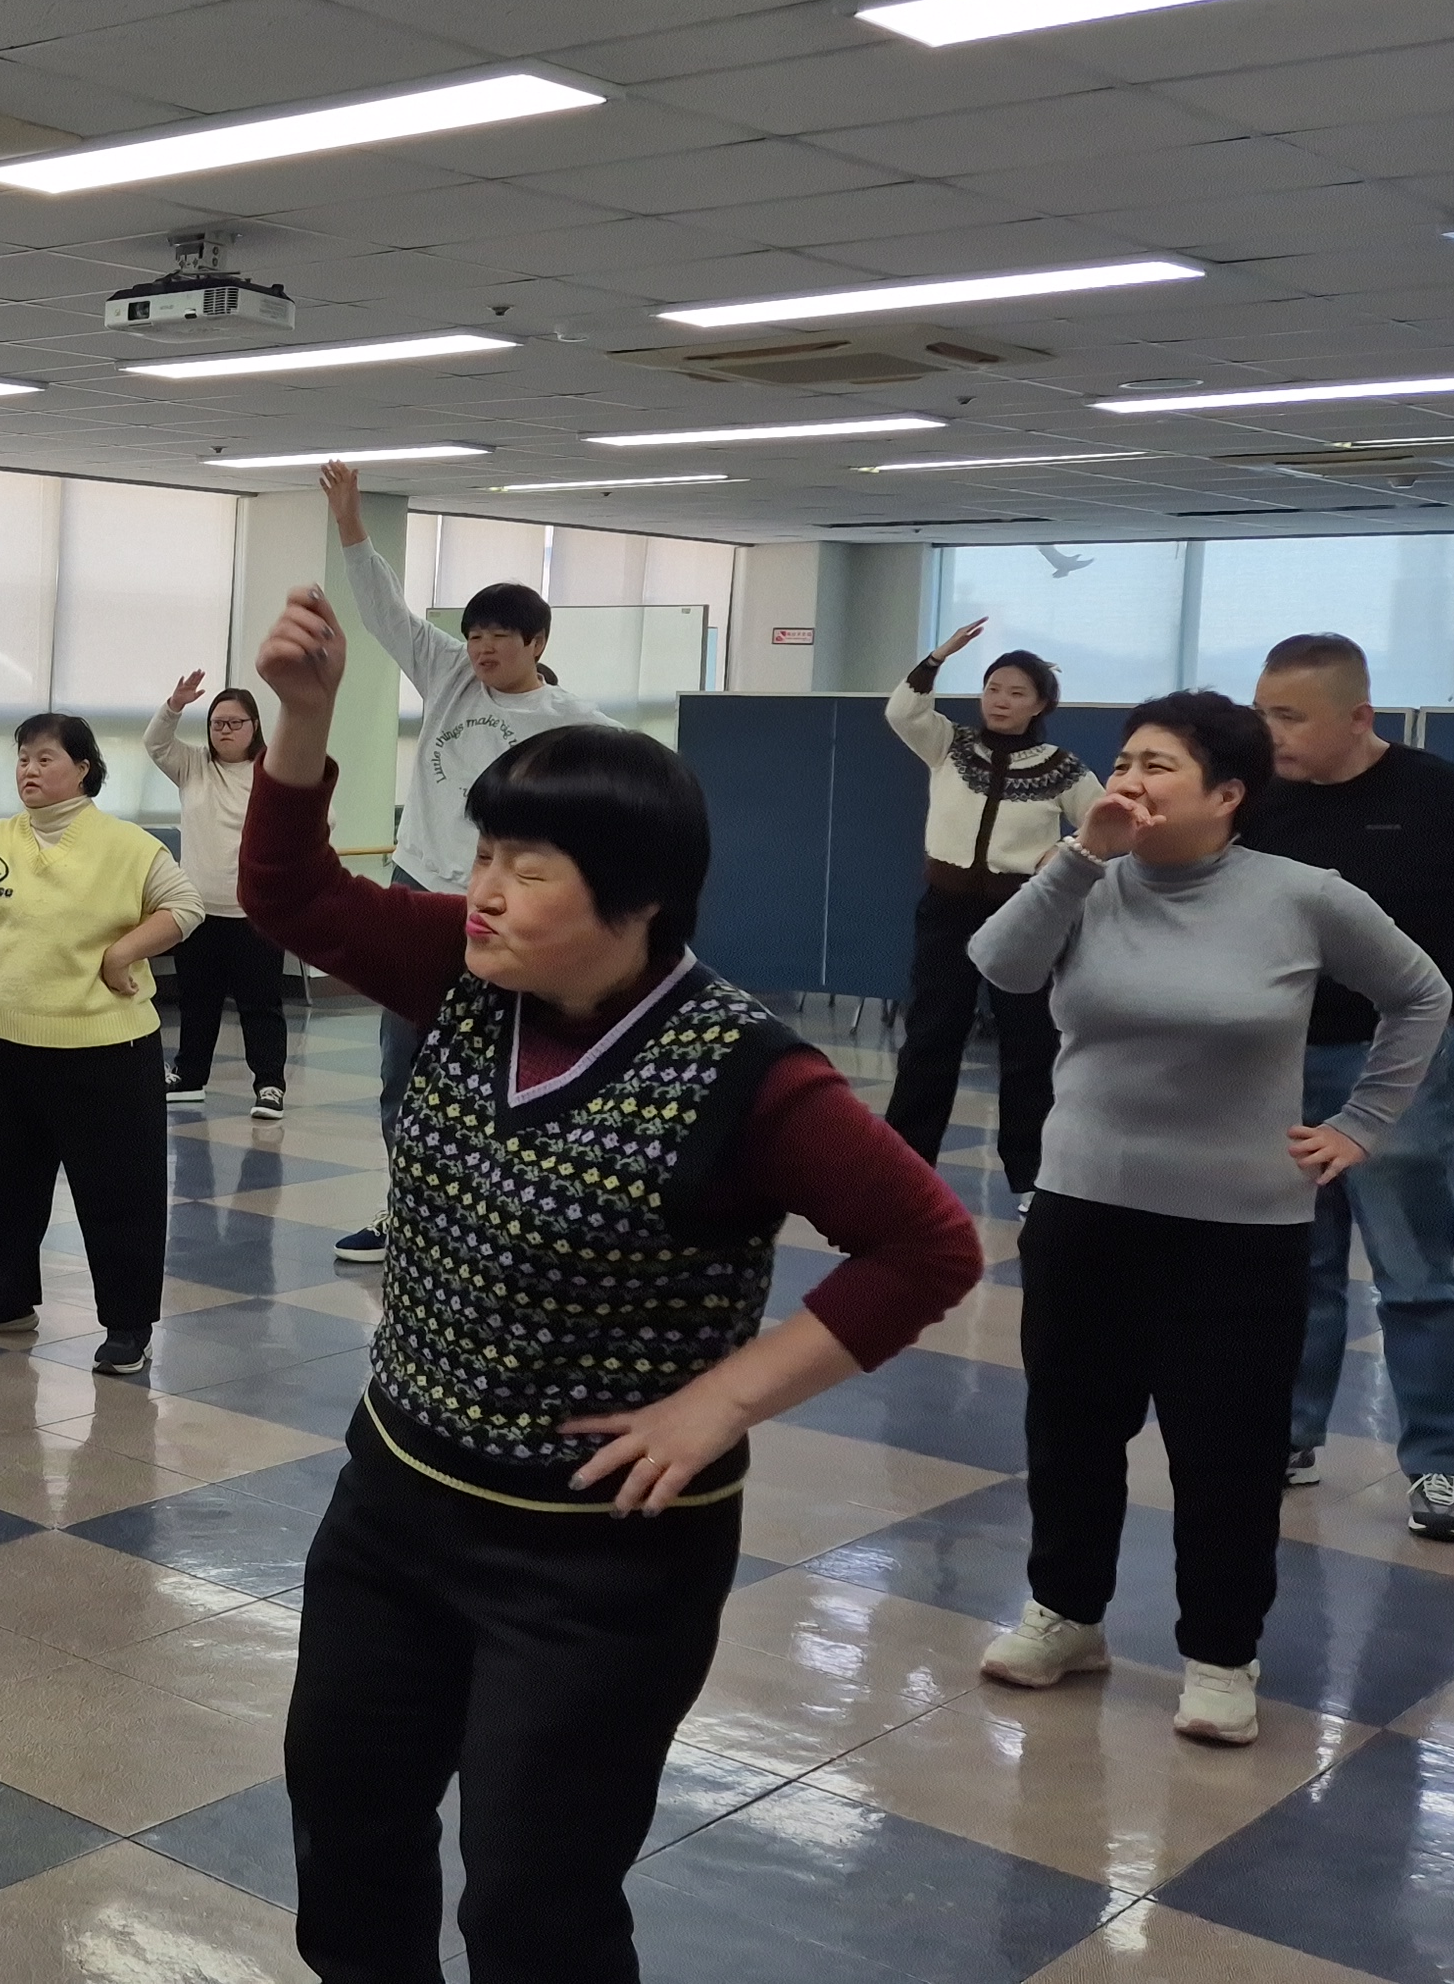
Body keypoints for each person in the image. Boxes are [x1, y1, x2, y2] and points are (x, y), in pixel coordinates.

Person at [240, 584, 978, 1984]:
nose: (484, 891)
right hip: (395, 1505)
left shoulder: (746, 1071)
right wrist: (306, 717)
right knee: (349, 1832)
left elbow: (928, 1245)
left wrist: (722, 1403)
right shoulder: (465, 974)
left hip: (595, 1563)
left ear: (639, 899)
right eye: (484, 855)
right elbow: (291, 896)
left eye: (527, 869)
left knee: (536, 1901)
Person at [970, 692, 1448, 1748]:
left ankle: (1222, 1654)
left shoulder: (1301, 895)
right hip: (1083, 1205)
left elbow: (1421, 994)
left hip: (1238, 1227)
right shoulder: (1085, 882)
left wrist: (1362, 1123)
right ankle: (1065, 1614)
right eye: (1124, 761)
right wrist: (1078, 858)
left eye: (1159, 765)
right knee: (1071, 1427)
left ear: (1227, 793)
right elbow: (1000, 965)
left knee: (1226, 1448)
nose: (1129, 781)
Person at [1250, 633, 1454, 1536]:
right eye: (1263, 712)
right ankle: (1287, 1435)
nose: (1270, 733)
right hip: (1275, 1065)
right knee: (1296, 1268)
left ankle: (1441, 1467)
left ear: (1359, 716)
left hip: (1395, 1065)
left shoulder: (1445, 797)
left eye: (1292, 716)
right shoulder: (1259, 798)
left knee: (1413, 1278)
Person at [320, 458, 607, 1268]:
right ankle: (407, 1212)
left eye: (499, 638)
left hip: (510, 908)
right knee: (402, 1063)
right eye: (475, 635)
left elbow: (636, 786)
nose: (481, 649)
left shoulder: (570, 719)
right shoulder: (448, 674)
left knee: (508, 1064)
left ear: (536, 644)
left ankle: (500, 1212)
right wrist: (349, 525)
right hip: (422, 893)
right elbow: (384, 611)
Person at [0, 714, 203, 1377]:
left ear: (82, 769)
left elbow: (184, 908)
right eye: (22, 759)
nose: (29, 770)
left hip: (108, 1051)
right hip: (7, 1046)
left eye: (45, 758)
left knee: (119, 1195)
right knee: (2, 1186)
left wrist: (122, 951)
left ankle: (128, 1325)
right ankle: (5, 1299)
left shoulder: (128, 845)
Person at [880, 620, 1097, 1209]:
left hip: (1022, 916)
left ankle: (1032, 1177)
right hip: (946, 911)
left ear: (1040, 704)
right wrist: (937, 657)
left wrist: (1062, 853)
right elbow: (902, 711)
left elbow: (1105, 824)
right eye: (993, 688)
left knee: (1029, 1045)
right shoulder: (948, 745)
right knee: (931, 1036)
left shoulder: (1061, 766)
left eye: (1016, 692)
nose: (1000, 700)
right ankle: (903, 1167)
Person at [146, 672, 288, 1117]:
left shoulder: (273, 771)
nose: (224, 730)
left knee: (260, 1004)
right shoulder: (193, 765)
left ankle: (270, 1084)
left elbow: (321, 818)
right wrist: (174, 705)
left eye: (234, 723)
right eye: (217, 723)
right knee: (197, 1000)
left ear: (254, 726)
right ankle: (189, 1076)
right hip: (197, 911)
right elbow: (155, 744)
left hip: (257, 913)